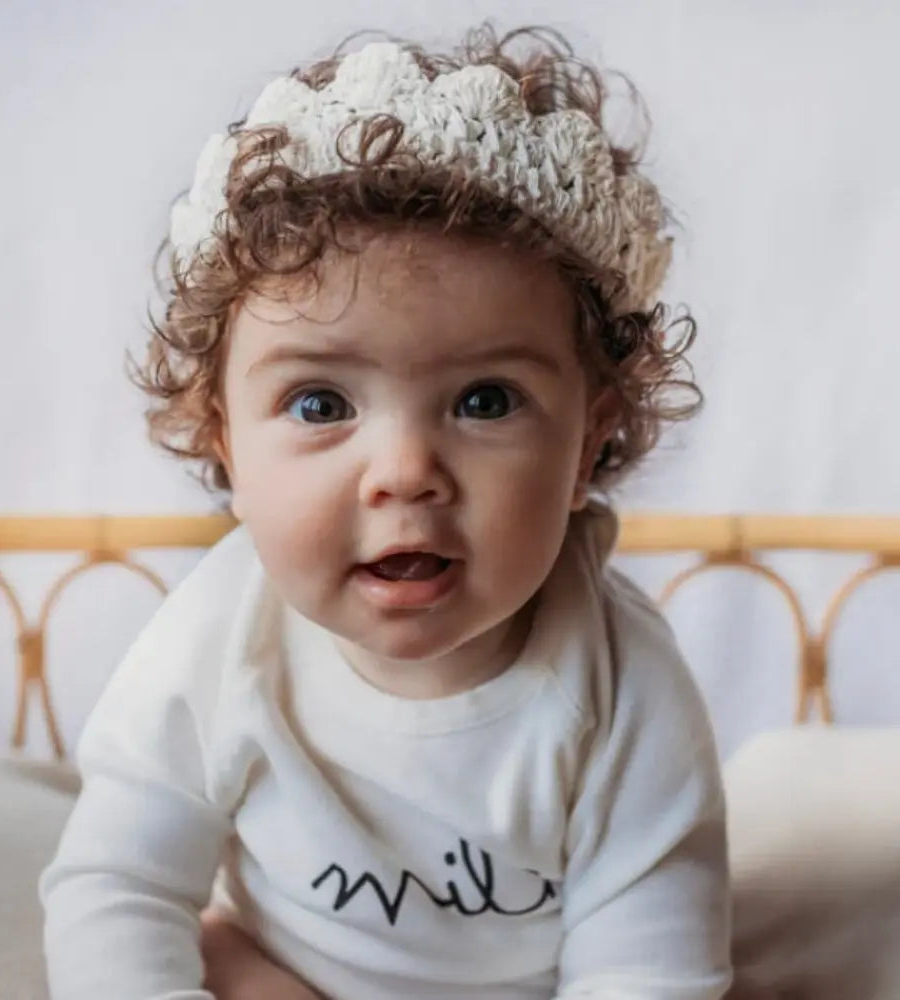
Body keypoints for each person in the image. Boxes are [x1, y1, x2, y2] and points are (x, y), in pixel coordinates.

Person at [40, 23, 732, 1000]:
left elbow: (646, 966)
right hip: (285, 974)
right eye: (321, 405)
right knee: (208, 950)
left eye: (484, 400)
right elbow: (116, 882)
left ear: (587, 443)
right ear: (224, 443)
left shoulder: (620, 681)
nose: (405, 473)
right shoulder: (219, 640)